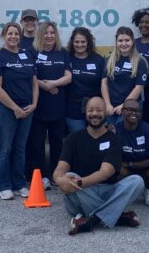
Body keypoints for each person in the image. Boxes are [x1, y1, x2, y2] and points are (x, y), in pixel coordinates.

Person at [53, 97, 144, 235]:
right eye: (91, 110)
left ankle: (91, 220)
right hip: (81, 195)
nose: (94, 113)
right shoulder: (73, 138)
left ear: (106, 113)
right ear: (85, 112)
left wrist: (78, 182)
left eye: (99, 110)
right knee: (67, 176)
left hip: (106, 191)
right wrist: (60, 181)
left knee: (137, 181)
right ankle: (115, 215)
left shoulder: (114, 139)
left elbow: (105, 172)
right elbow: (60, 169)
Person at [0, 22, 38, 200]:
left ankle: (19, 184)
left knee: (20, 148)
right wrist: (15, 108)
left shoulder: (26, 55)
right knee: (5, 148)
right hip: (6, 110)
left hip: (27, 109)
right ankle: (4, 185)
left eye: (16, 34)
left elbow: (34, 83)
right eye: (10, 34)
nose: (13, 37)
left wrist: (34, 104)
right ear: (4, 36)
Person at [26, 21, 72, 190]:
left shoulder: (62, 52)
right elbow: (29, 76)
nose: (49, 36)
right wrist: (44, 86)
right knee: (37, 143)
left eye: (52, 32)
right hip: (38, 106)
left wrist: (53, 83)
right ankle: (41, 176)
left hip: (57, 106)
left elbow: (68, 77)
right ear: (40, 34)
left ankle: (55, 174)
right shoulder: (33, 51)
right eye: (46, 33)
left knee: (57, 142)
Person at [115, 99, 149, 207]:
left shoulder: (148, 129)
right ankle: (121, 193)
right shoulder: (116, 130)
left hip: (145, 167)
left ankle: (148, 189)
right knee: (115, 170)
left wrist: (131, 164)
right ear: (122, 111)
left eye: (137, 111)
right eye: (130, 110)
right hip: (127, 169)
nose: (134, 113)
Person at [101, 26, 148, 122]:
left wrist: (124, 105)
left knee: (124, 135)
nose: (124, 44)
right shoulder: (109, 59)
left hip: (130, 108)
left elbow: (139, 87)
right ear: (116, 42)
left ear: (133, 41)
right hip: (111, 108)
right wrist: (107, 104)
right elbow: (104, 83)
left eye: (127, 40)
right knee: (111, 134)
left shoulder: (140, 61)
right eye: (120, 41)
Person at [65, 27, 105, 133]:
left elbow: (104, 84)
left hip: (95, 109)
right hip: (73, 109)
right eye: (76, 42)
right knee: (78, 140)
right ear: (72, 42)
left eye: (83, 42)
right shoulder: (67, 58)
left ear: (88, 42)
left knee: (95, 140)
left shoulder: (98, 60)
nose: (80, 45)